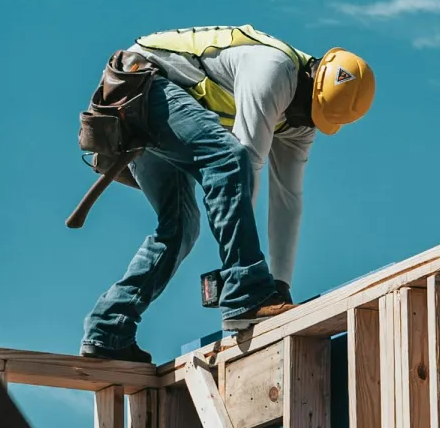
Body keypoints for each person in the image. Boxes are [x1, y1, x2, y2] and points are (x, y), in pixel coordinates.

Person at [79, 24, 375, 362]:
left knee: (180, 229)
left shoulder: (301, 122)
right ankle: (245, 291)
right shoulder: (274, 70)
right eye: (305, 110)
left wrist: (280, 286)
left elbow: (287, 201)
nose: (301, 121)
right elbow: (243, 164)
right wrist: (247, 284)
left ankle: (108, 329)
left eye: (312, 118)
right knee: (228, 158)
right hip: (139, 86)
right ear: (311, 77)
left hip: (156, 108)